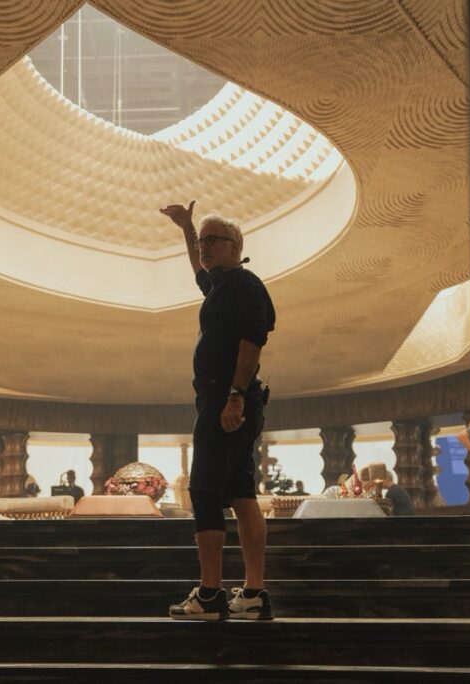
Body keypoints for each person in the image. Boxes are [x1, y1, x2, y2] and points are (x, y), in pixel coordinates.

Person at [160, 200, 276, 621]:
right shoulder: (220, 286)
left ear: (235, 246)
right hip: (226, 399)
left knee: (205, 492)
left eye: (213, 240)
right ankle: (253, 594)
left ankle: (210, 595)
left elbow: (252, 341)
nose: (205, 247)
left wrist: (234, 395)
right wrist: (187, 228)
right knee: (243, 496)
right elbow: (197, 266)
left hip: (227, 400)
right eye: (203, 241)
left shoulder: (244, 285)